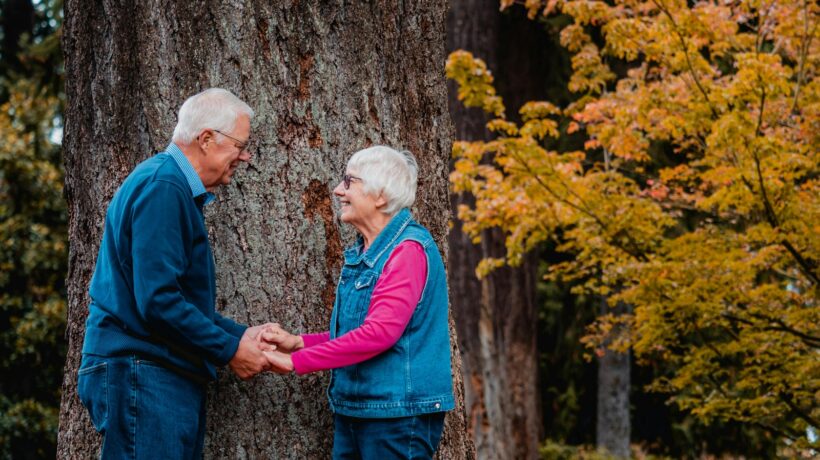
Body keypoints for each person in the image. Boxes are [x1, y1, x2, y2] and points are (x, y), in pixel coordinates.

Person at [77, 88, 275, 459]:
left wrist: (242, 335)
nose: (245, 156)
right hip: (143, 372)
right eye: (240, 145)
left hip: (152, 373)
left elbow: (173, 299)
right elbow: (159, 302)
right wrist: (230, 349)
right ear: (206, 139)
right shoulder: (164, 187)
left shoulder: (170, 185)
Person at [261, 146, 455, 459]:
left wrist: (296, 363)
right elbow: (361, 330)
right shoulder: (369, 252)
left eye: (350, 182)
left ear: (380, 196)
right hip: (360, 412)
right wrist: (299, 343)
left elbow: (380, 334)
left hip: (395, 418)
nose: (338, 190)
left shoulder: (406, 252)